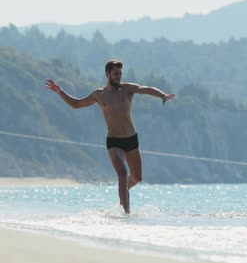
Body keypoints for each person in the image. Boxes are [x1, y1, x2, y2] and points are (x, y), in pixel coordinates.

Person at [45, 60, 175, 214]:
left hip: (131, 139)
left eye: (120, 74)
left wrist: (162, 95)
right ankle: (126, 213)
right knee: (122, 173)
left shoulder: (127, 89)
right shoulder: (99, 95)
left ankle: (124, 190)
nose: (118, 77)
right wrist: (60, 91)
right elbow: (76, 104)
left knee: (137, 177)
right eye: (115, 74)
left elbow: (145, 89)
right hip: (114, 141)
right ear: (107, 74)